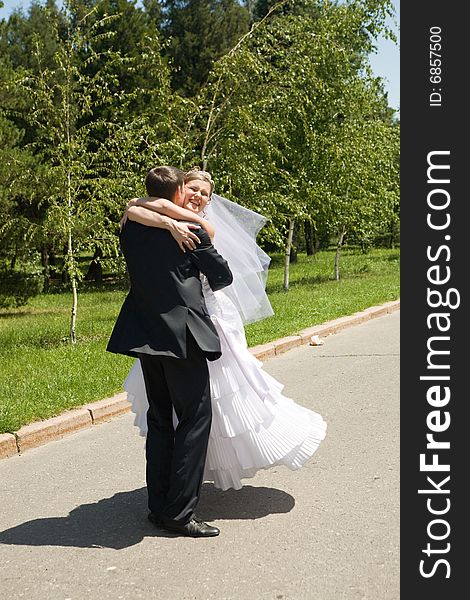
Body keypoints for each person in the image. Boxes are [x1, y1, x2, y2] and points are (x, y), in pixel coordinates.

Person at [122, 169, 327, 492]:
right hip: (171, 327)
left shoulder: (201, 228)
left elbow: (213, 267)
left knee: (224, 399)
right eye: (192, 188)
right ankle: (179, 487)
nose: (198, 196)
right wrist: (169, 221)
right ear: (178, 191)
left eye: (205, 193)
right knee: (188, 410)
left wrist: (171, 220)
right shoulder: (150, 217)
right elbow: (134, 206)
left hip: (208, 321)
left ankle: (182, 485)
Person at [107, 166, 233, 538]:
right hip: (183, 336)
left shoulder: (130, 224)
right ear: (178, 193)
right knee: (195, 419)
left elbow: (133, 208)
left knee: (161, 418)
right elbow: (222, 277)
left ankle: (158, 506)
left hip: (146, 333)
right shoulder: (191, 230)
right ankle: (180, 513)